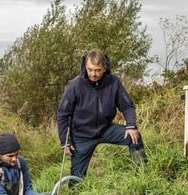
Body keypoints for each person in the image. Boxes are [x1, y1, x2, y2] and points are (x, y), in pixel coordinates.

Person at [56, 49, 147, 178]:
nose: (93, 74)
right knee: (76, 179)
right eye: (90, 69)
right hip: (82, 135)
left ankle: (143, 176)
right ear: (85, 67)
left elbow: (127, 105)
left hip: (106, 129)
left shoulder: (113, 82)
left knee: (134, 137)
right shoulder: (75, 85)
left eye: (97, 70)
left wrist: (130, 125)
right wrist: (65, 142)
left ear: (104, 68)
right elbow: (62, 114)